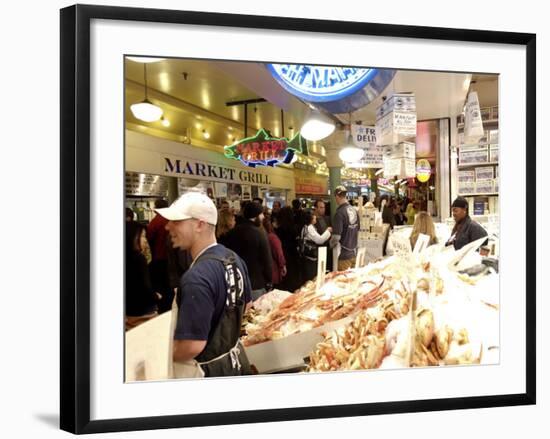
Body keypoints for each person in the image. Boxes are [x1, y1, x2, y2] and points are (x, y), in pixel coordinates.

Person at [156, 191, 253, 378]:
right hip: (236, 364)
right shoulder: (233, 258)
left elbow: (192, 345)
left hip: (208, 375)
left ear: (200, 224)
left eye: (177, 221)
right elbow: (246, 305)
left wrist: (158, 354)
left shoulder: (196, 277)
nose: (168, 226)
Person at [223, 201, 273, 300]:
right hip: (256, 285)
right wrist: (269, 280)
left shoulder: (232, 232)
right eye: (261, 214)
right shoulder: (260, 234)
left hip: (237, 284)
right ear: (256, 216)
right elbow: (267, 260)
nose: (263, 217)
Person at [125, 221, 158, 330]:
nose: (145, 240)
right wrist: (155, 296)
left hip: (129, 311)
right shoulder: (139, 259)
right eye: (142, 236)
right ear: (132, 238)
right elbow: (145, 286)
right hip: (143, 310)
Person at [146, 199, 173, 313]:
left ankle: (163, 308)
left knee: (160, 286)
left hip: (158, 258)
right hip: (171, 259)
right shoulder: (172, 220)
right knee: (169, 285)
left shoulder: (155, 222)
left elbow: (149, 239)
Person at [330, 186, 360, 270]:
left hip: (343, 256)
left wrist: (330, 244)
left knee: (343, 280)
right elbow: (357, 229)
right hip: (354, 253)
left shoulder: (339, 213)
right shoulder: (354, 210)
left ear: (336, 196)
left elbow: (336, 237)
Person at [275, 206, 302, 292]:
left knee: (285, 281)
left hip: (283, 255)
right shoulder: (294, 229)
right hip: (294, 257)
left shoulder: (278, 230)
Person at [299, 211, 332, 282]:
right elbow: (320, 240)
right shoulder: (310, 227)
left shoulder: (305, 226)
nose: (315, 218)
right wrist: (328, 231)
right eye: (314, 217)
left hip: (306, 255)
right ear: (310, 219)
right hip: (310, 256)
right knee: (312, 277)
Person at [262, 215, 287, 289]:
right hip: (273, 270)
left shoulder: (261, 236)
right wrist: (283, 265)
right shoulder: (272, 237)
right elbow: (278, 253)